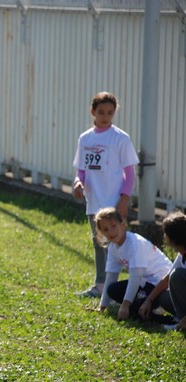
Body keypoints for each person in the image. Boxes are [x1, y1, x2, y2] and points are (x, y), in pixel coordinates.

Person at [72, 92, 139, 298]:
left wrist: (124, 199)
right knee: (99, 244)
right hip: (94, 202)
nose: (105, 116)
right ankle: (101, 285)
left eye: (110, 113)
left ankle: (126, 287)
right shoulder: (85, 138)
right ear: (92, 111)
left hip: (113, 202)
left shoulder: (120, 138)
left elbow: (129, 173)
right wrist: (77, 183)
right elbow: (81, 170)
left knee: (118, 245)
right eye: (101, 112)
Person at [95, 207, 173, 322]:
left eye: (113, 226)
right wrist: (102, 307)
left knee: (133, 307)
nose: (111, 232)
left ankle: (160, 317)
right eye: (105, 229)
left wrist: (126, 304)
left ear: (122, 224)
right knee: (112, 290)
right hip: (145, 284)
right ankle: (139, 309)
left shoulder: (134, 243)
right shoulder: (113, 247)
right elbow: (111, 276)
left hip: (162, 285)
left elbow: (135, 277)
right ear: (101, 233)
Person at [138, 211, 186, 330]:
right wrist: (148, 300)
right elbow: (166, 279)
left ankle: (182, 324)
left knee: (177, 276)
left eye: (165, 233)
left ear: (172, 238)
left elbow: (173, 276)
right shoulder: (182, 254)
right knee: (164, 297)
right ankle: (182, 321)